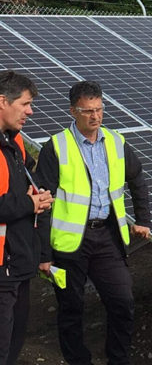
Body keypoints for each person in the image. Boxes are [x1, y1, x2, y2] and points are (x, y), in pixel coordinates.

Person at [36, 81, 151, 365]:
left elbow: (137, 179)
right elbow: (43, 201)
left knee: (122, 300)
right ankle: (78, 361)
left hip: (107, 237)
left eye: (99, 109)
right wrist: (43, 255)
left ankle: (118, 358)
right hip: (69, 243)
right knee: (71, 308)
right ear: (73, 111)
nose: (95, 116)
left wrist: (143, 219)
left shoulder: (116, 142)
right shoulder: (57, 146)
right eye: (88, 111)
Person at [0, 70, 53, 365]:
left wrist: (38, 197)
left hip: (18, 263)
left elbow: (23, 188)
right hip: (2, 267)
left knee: (13, 343)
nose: (30, 111)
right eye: (25, 104)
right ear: (2, 102)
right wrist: (29, 204)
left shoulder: (14, 143)